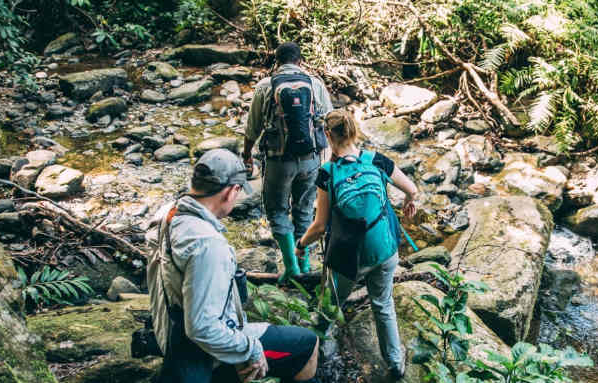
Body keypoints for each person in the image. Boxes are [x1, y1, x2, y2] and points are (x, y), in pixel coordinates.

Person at [146, 149, 319, 383]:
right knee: (307, 344)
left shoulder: (167, 214)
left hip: (171, 332)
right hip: (201, 349)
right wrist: (250, 349)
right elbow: (202, 327)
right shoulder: (207, 244)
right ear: (231, 191)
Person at [294, 110, 419, 380]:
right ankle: (395, 364)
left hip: (349, 260)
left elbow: (318, 227)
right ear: (354, 131)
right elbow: (412, 189)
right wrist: (410, 201)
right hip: (385, 251)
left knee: (329, 305)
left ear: (328, 135)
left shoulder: (327, 173)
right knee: (383, 304)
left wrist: (301, 245)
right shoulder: (376, 160)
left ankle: (313, 346)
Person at [243, 41, 334, 283]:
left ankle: (291, 267)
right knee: (304, 211)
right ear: (300, 61)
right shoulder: (315, 84)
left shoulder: (265, 86)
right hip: (310, 160)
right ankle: (304, 264)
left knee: (277, 211)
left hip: (278, 161)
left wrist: (246, 155)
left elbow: (252, 127)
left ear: (277, 62)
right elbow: (330, 120)